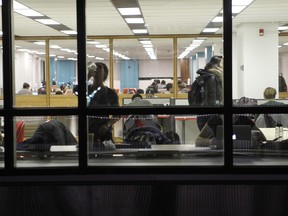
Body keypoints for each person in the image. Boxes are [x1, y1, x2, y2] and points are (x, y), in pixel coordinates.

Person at [87, 62, 120, 150]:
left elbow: (117, 115)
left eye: (99, 68)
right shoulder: (86, 90)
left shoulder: (111, 93)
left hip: (104, 133)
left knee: (107, 161)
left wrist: (107, 125)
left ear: (105, 73)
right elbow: (76, 90)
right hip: (87, 132)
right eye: (94, 68)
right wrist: (87, 77)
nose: (96, 70)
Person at [189, 55, 223, 131]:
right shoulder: (212, 78)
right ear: (218, 66)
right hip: (209, 117)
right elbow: (210, 101)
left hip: (204, 115)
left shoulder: (207, 76)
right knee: (210, 140)